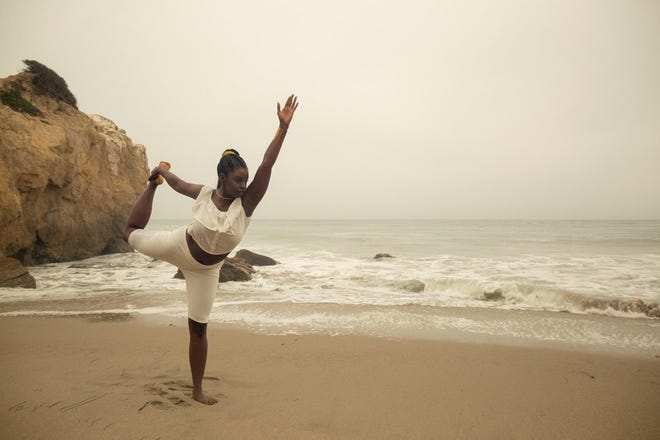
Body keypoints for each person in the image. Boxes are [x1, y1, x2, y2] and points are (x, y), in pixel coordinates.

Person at [122, 94, 299, 405]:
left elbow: (267, 164)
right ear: (223, 178)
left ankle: (197, 390)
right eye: (238, 179)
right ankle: (150, 187)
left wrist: (282, 129)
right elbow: (177, 184)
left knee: (199, 329)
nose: (244, 184)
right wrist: (158, 174)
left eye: (245, 179)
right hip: (179, 246)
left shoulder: (246, 205)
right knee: (131, 235)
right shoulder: (204, 194)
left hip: (206, 271)